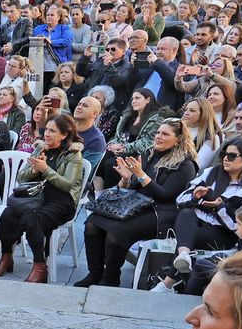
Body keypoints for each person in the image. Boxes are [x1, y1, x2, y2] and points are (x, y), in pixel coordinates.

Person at [79, 119, 199, 287]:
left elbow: (165, 196)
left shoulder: (185, 165)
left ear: (178, 139)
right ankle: (94, 273)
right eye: (158, 132)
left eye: (165, 134)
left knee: (116, 233)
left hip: (161, 213)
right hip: (137, 205)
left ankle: (110, 277)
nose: (158, 136)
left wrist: (141, 174)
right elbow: (135, 186)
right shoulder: (149, 153)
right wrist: (126, 179)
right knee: (92, 223)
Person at [0, 114, 86, 283]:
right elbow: (21, 177)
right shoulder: (41, 148)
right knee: (8, 213)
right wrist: (34, 171)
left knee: (32, 217)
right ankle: (6, 257)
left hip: (62, 202)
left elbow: (67, 185)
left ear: (64, 134)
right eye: (46, 129)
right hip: (38, 197)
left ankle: (40, 266)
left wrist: (45, 170)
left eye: (52, 131)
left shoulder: (73, 155)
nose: (47, 134)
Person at [170, 136, 242, 265]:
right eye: (224, 154)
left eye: (232, 156)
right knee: (186, 214)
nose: (225, 158)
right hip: (195, 223)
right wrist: (195, 198)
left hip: (223, 233)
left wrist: (220, 208)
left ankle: (173, 272)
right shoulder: (211, 172)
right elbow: (180, 200)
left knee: (185, 236)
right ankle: (183, 257)